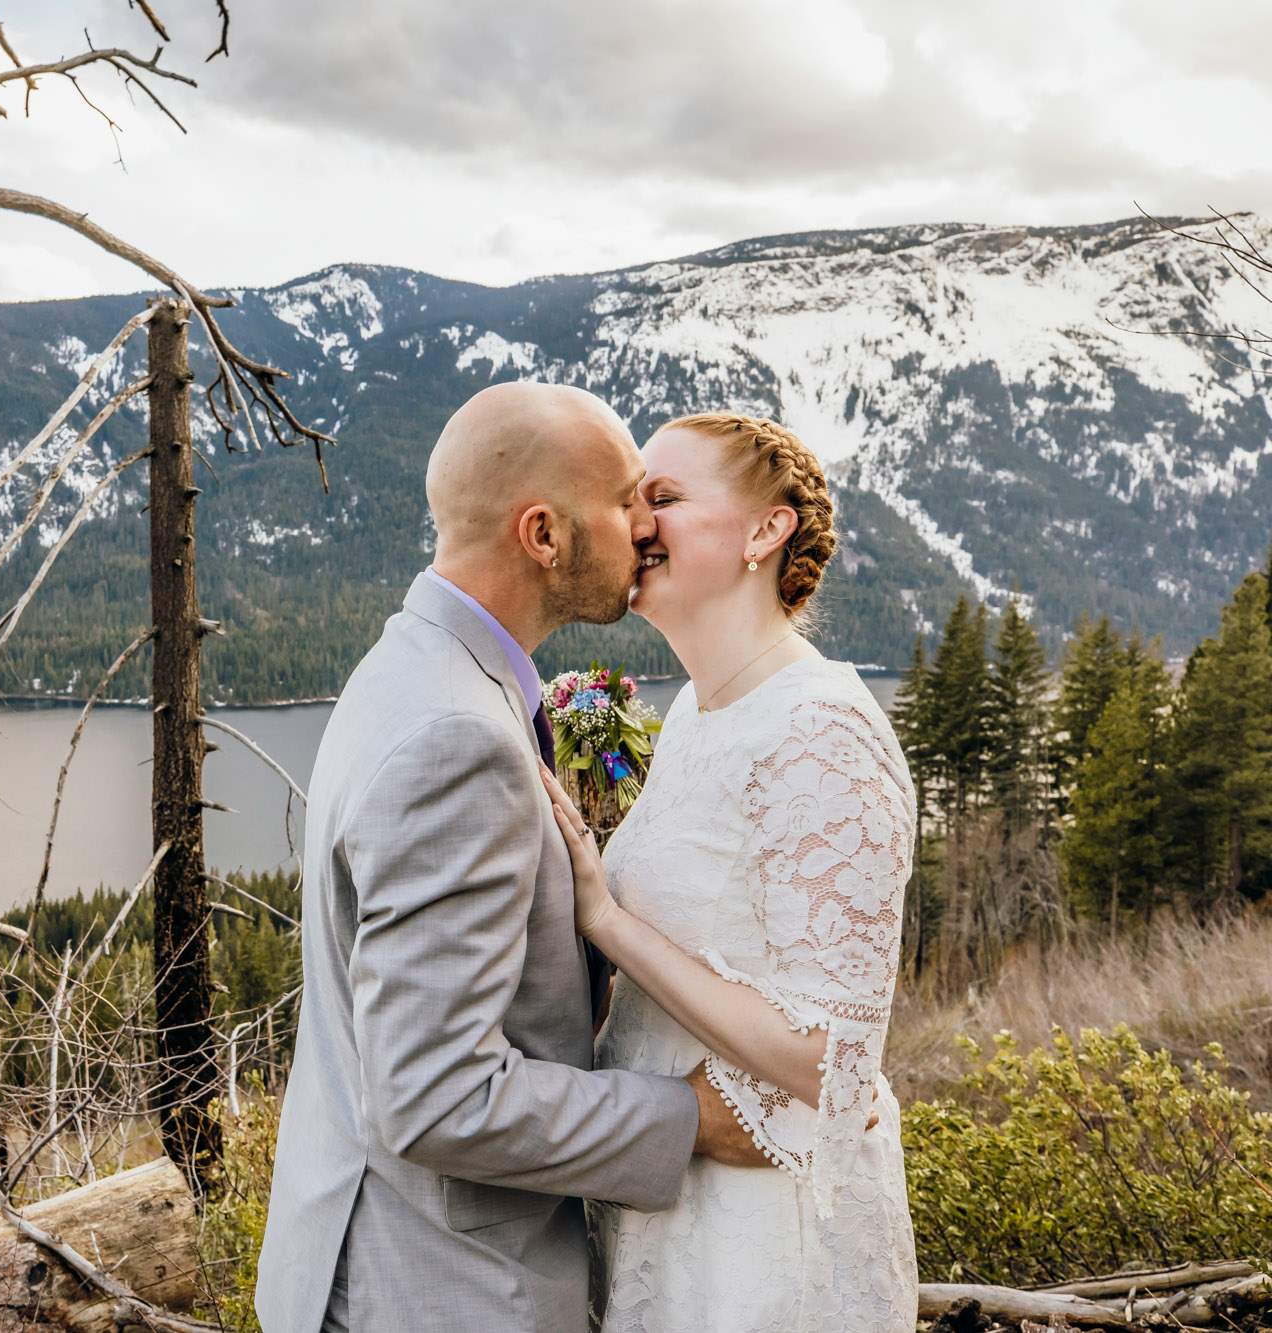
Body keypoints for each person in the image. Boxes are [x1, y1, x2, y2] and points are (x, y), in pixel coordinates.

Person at [255, 383, 772, 1333]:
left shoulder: (409, 666)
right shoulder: (457, 735)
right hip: (436, 1291)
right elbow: (437, 1096)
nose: (648, 525)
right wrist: (689, 1119)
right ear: (544, 535)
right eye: (626, 501)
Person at [544, 412, 918, 1330]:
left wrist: (608, 919)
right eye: (634, 502)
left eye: (664, 498)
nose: (637, 525)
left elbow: (834, 1063)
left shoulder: (823, 731)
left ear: (765, 530)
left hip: (764, 1248)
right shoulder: (697, 720)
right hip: (671, 1219)